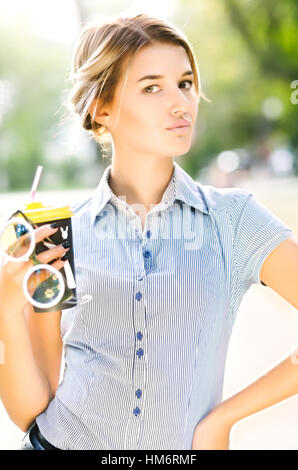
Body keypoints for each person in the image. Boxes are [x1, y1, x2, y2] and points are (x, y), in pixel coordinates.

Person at [0, 13, 298, 451]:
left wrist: (226, 418)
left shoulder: (235, 221)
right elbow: (31, 408)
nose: (181, 102)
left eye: (185, 82)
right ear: (101, 109)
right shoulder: (60, 235)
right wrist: (7, 310)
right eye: (152, 87)